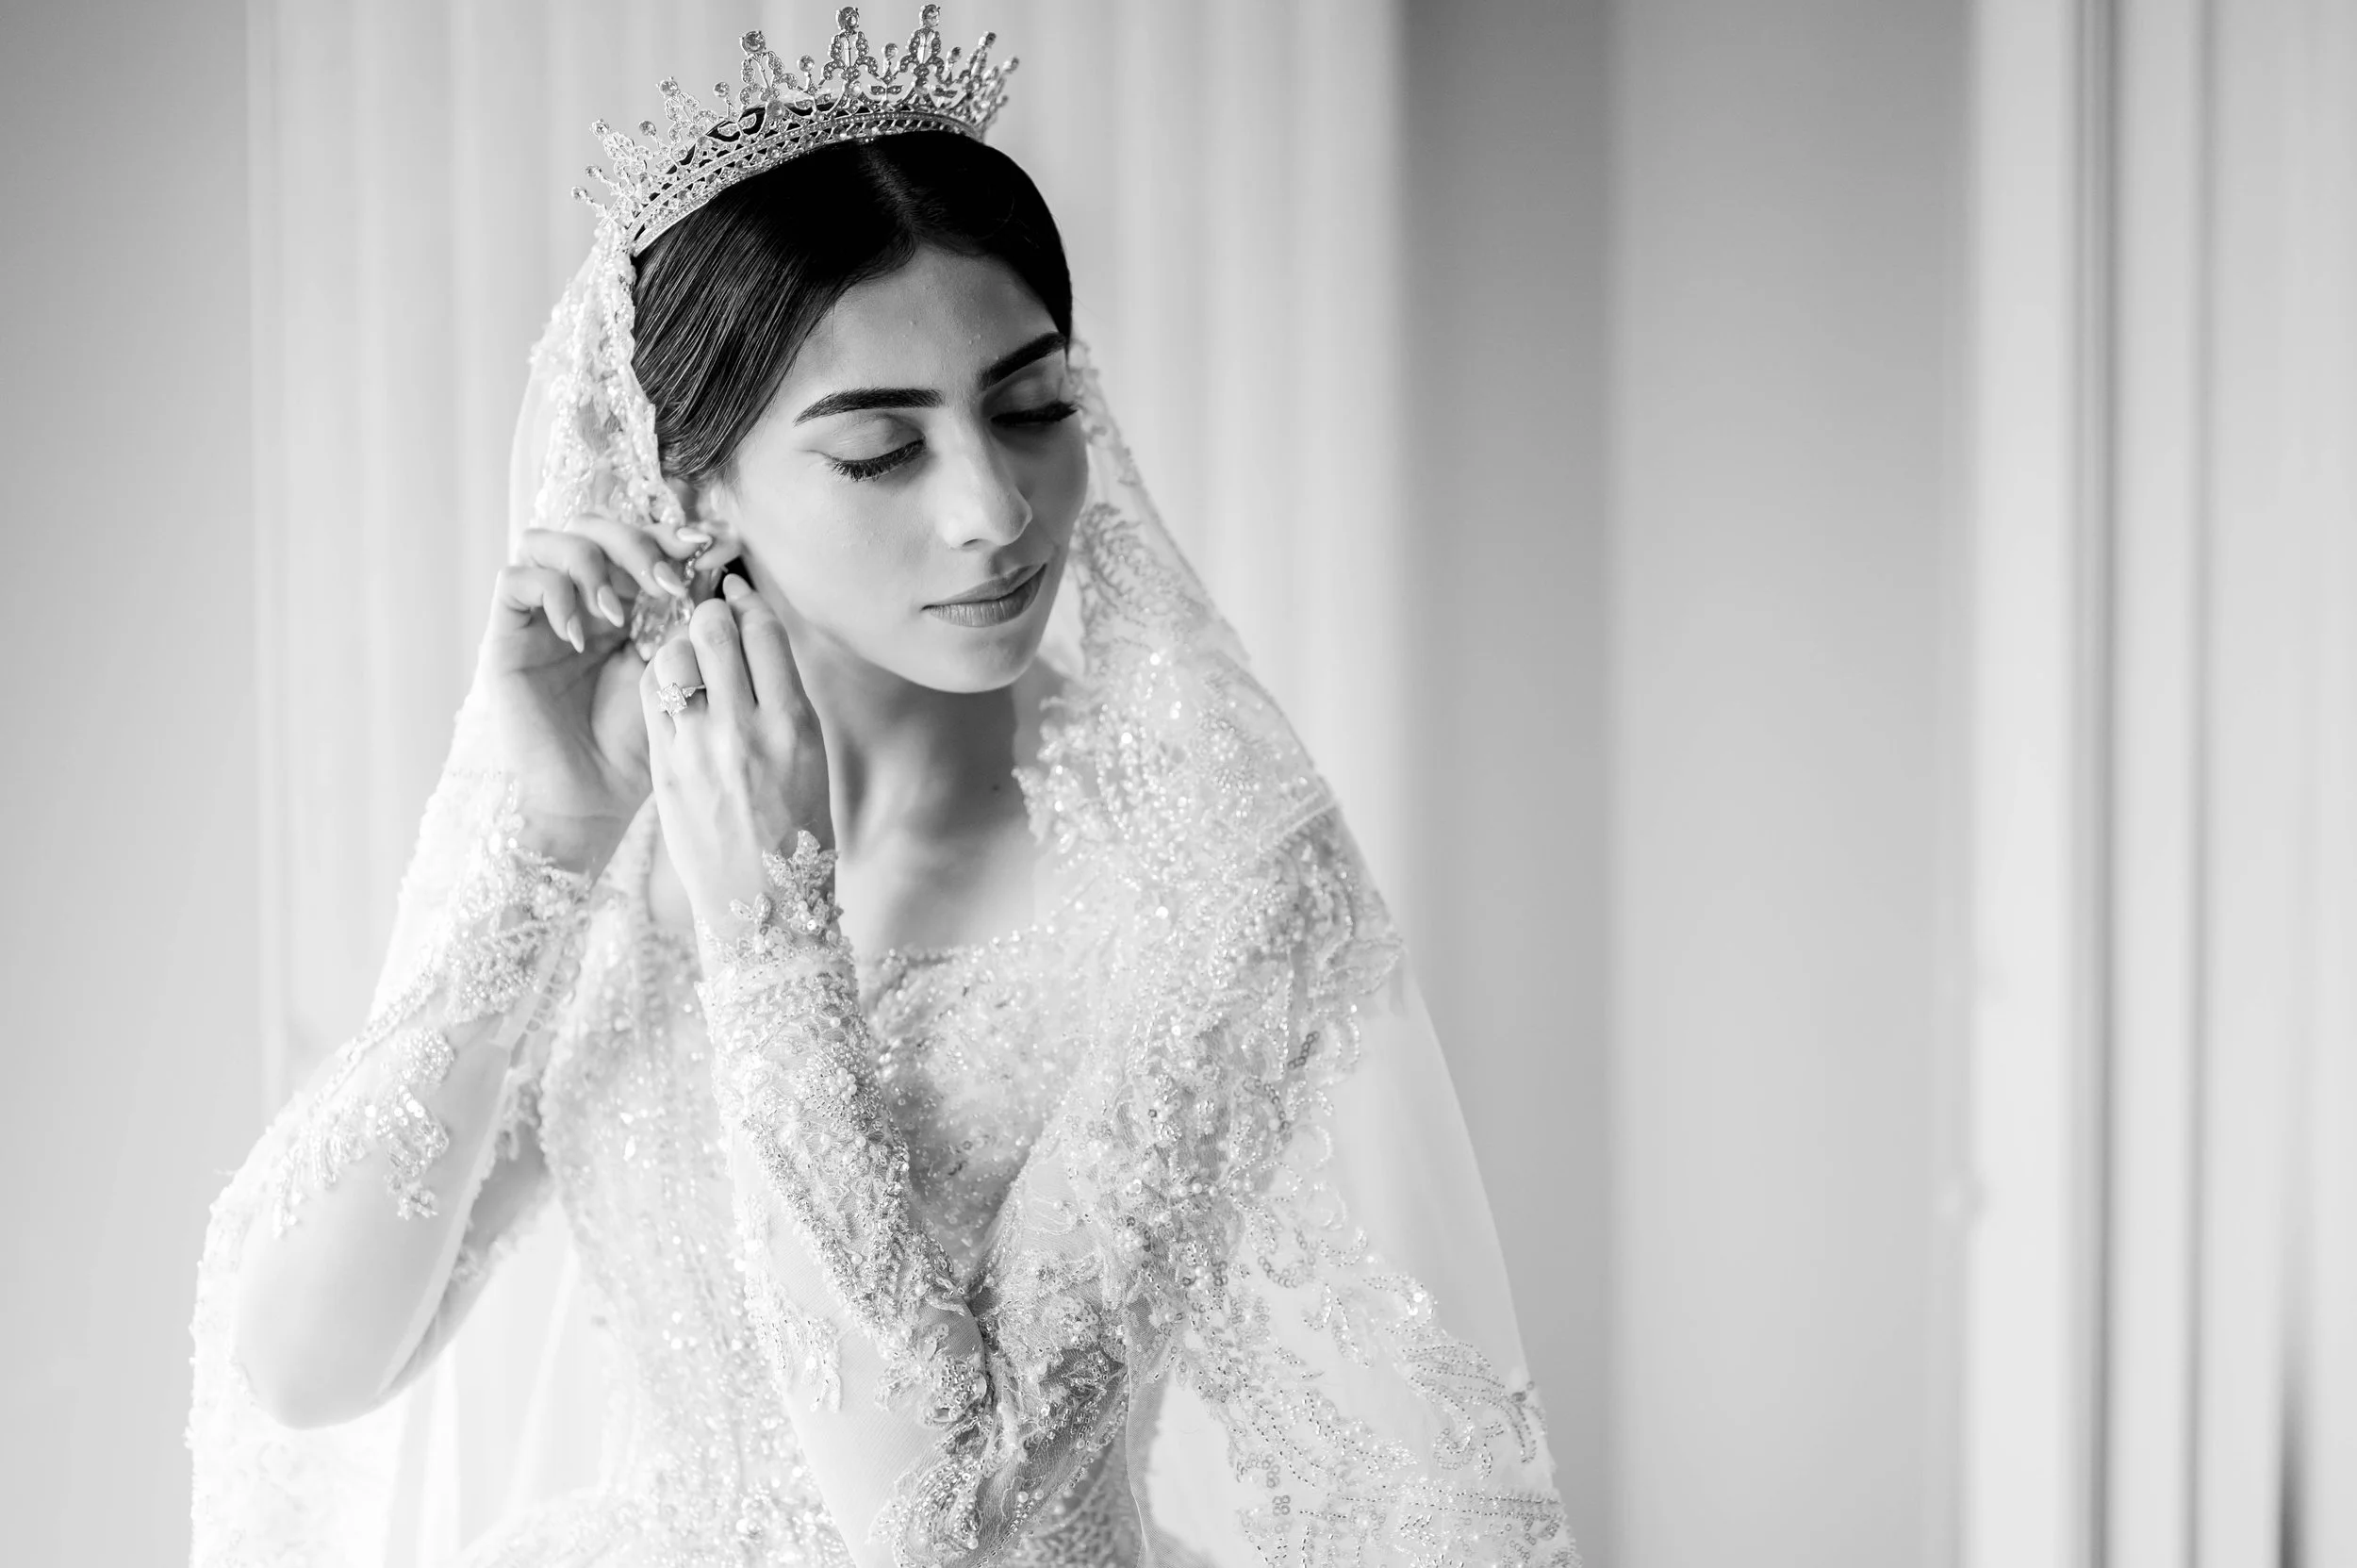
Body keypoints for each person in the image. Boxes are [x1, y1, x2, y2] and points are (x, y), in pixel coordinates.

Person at [190, 9, 1575, 1565]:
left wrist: (771, 936)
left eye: (1033, 407)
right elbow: (307, 1366)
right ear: (689, 486)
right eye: (878, 451)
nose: (996, 509)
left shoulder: (1218, 879)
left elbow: (961, 1533)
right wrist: (553, 845)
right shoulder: (627, 820)